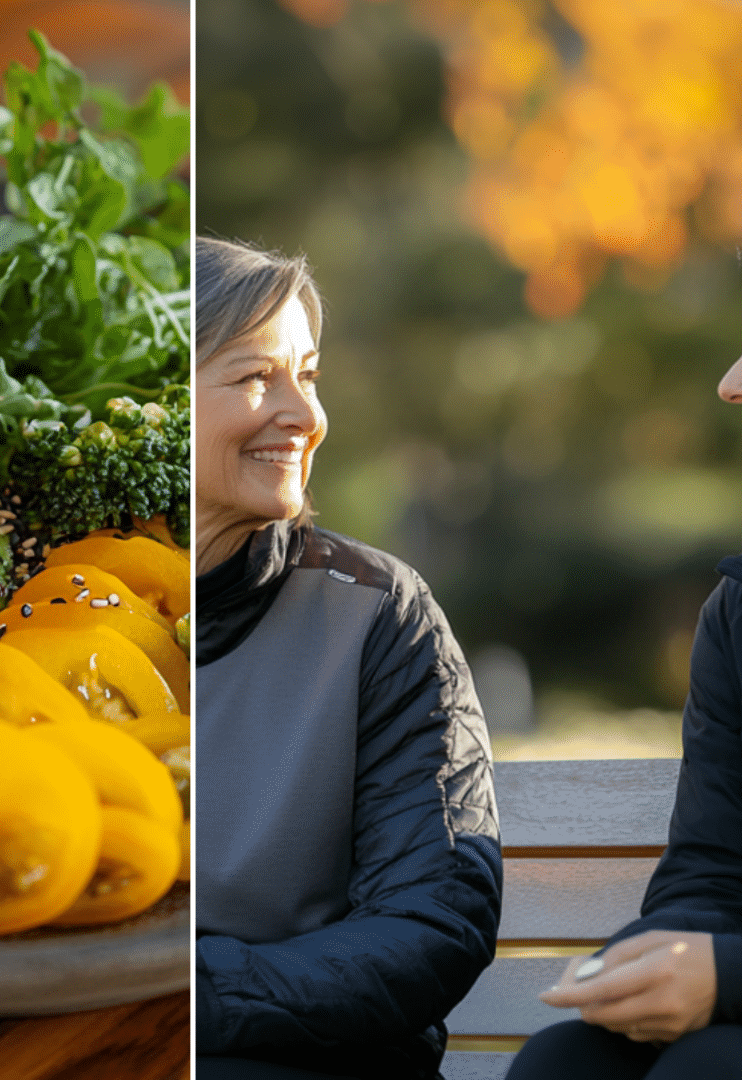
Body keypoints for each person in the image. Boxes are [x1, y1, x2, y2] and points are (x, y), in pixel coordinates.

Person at [506, 209, 742, 1078]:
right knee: (565, 1065)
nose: (732, 384)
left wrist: (737, 975)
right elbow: (718, 874)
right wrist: (645, 962)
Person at [195, 236, 501, 1079]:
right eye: (259, 376)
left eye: (311, 375)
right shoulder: (47, 602)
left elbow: (434, 921)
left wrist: (191, 998)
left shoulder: (379, 616)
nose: (305, 414)